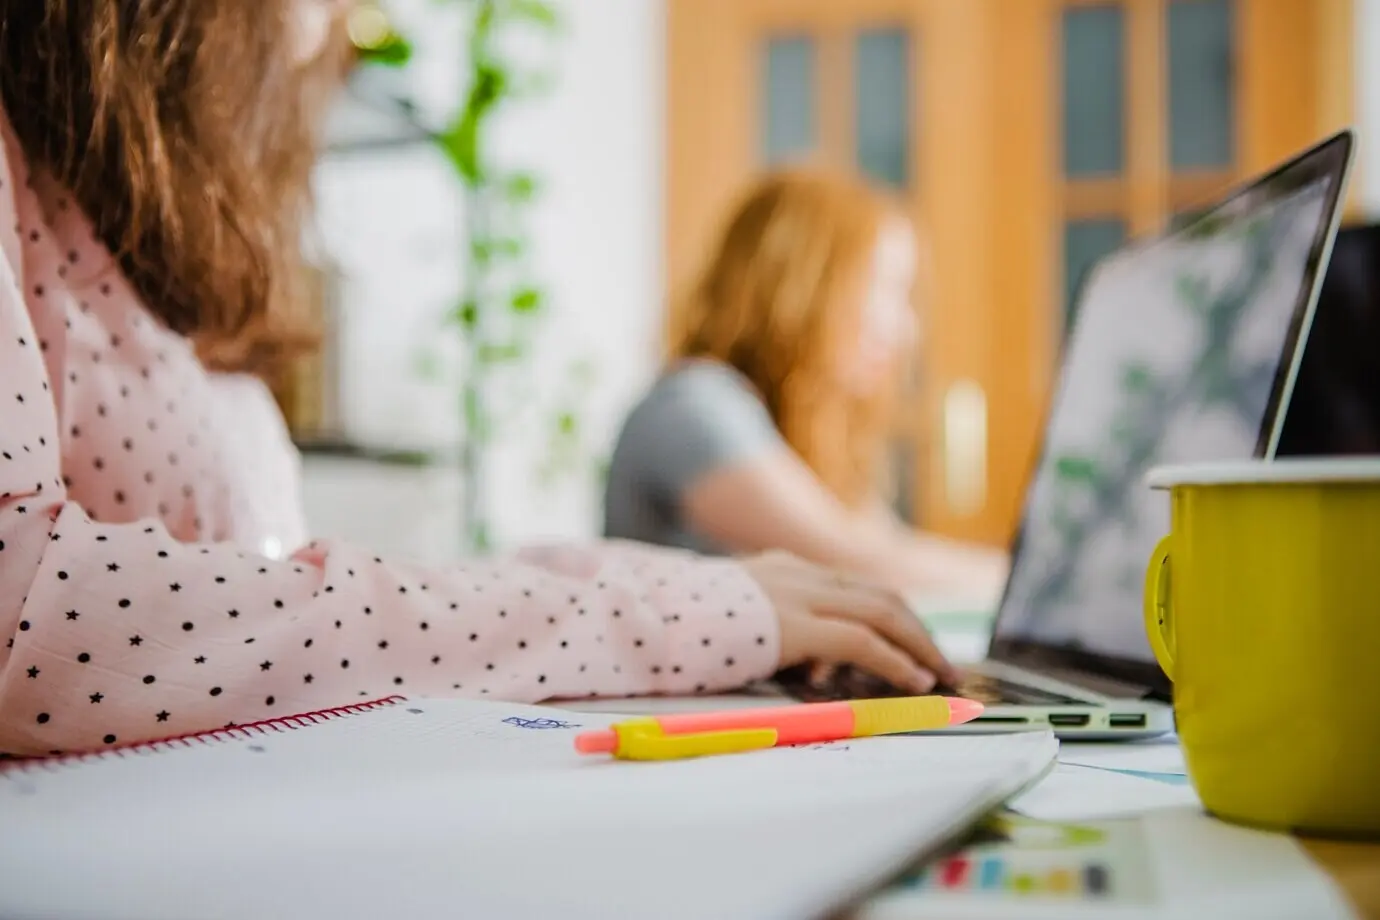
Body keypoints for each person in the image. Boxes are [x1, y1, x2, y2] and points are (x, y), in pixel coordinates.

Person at [0, 1, 957, 757]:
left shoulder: (115, 217)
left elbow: (280, 588)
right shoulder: (696, 407)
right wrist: (670, 611)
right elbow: (31, 608)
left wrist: (659, 595)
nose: (335, 21)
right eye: (888, 293)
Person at [605, 169, 1009, 597]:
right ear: (803, 290)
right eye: (886, 289)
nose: (906, 330)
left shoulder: (797, 424)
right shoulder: (691, 406)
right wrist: (1028, 588)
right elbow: (854, 564)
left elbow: (888, 546)